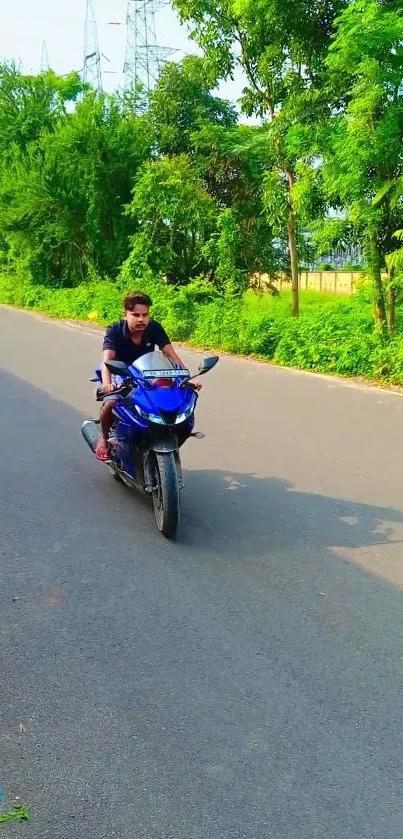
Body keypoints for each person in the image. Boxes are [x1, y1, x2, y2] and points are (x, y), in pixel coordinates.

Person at [95, 291, 189, 461]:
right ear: (125, 315)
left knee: (170, 398)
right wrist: (108, 385)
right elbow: (106, 361)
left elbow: (170, 354)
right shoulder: (115, 330)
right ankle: (103, 439)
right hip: (121, 374)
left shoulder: (154, 327)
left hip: (148, 373)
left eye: (145, 315)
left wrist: (185, 378)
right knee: (110, 403)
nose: (141, 319)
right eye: (135, 315)